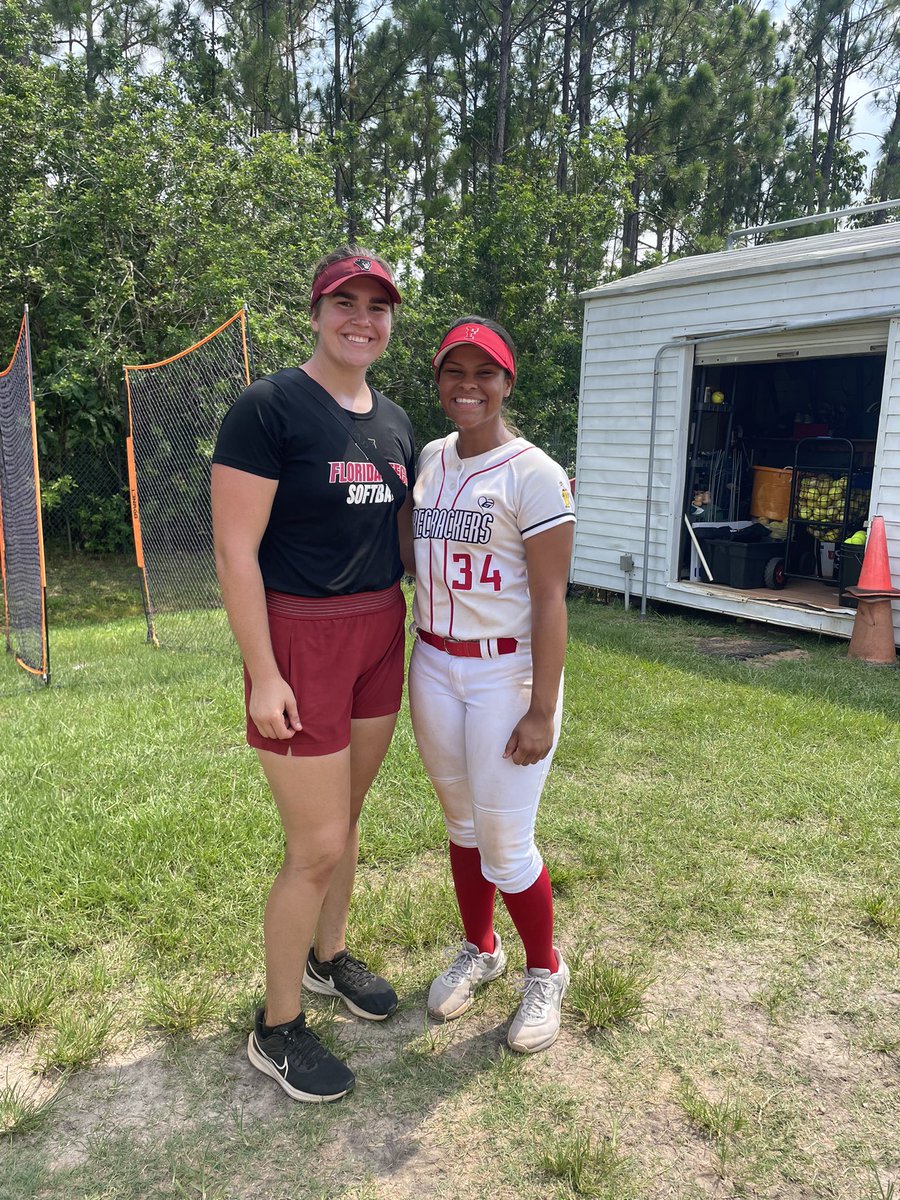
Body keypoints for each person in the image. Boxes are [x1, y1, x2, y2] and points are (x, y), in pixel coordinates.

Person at [211, 247, 415, 1102]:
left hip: (379, 631)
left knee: (348, 815)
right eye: (345, 302)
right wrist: (263, 672)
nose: (361, 318)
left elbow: (403, 539)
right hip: (301, 637)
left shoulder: (397, 420)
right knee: (317, 844)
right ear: (317, 310)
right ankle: (278, 1026)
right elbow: (235, 548)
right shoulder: (268, 408)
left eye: (377, 305)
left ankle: (328, 961)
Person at [408, 317, 575, 1054]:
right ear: (439, 381)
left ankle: (546, 968)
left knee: (506, 843)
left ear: (508, 382)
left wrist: (541, 707)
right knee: (462, 827)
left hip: (506, 670)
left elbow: (551, 600)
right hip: (434, 662)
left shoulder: (533, 471)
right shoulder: (430, 456)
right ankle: (483, 948)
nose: (468, 385)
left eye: (485, 372)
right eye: (454, 371)